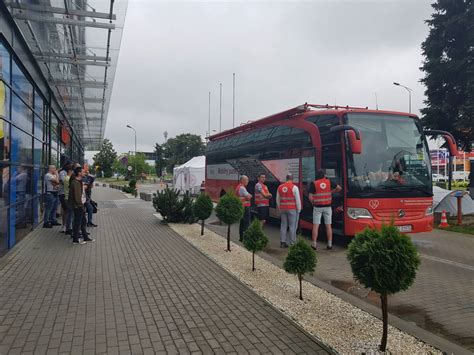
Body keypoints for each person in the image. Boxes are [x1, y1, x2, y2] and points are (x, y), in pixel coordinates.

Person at [309, 170, 342, 250]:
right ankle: (329, 244)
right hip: (327, 207)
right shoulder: (329, 182)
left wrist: (313, 203)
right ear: (324, 175)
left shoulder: (314, 183)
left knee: (316, 226)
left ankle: (314, 245)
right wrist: (331, 192)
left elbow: (310, 197)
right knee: (328, 226)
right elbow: (339, 188)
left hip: (317, 207)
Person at [68, 166, 95, 245]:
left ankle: (85, 237)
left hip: (80, 205)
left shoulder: (79, 181)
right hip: (78, 206)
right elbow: (77, 196)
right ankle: (75, 240)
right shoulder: (75, 182)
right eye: (83, 172)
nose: (84, 173)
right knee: (78, 222)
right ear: (79, 173)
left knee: (83, 222)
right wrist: (80, 205)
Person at [276, 174, 301, 248]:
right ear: (292, 179)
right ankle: (292, 243)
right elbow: (298, 200)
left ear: (286, 178)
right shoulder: (294, 187)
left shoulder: (280, 187)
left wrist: (280, 207)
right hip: (292, 209)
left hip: (283, 208)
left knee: (283, 225)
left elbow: (277, 199)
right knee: (292, 226)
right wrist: (299, 210)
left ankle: (282, 242)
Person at [235, 175, 252, 242]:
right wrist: (249, 196)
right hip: (245, 207)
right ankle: (245, 238)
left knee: (242, 223)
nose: (248, 181)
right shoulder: (242, 188)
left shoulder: (239, 187)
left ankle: (241, 237)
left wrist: (249, 196)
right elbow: (248, 197)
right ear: (242, 180)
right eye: (246, 180)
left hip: (242, 207)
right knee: (246, 223)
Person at [62, 166, 73, 234]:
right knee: (70, 214)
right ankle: (69, 228)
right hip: (69, 198)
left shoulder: (66, 178)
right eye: (72, 171)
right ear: (70, 171)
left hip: (66, 197)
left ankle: (68, 227)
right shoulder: (68, 178)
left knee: (69, 213)